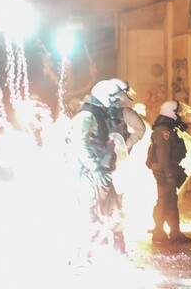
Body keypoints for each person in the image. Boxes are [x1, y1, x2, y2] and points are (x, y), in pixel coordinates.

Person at [68, 80, 125, 257]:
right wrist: (95, 167)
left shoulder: (101, 114)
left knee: (114, 211)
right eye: (115, 100)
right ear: (105, 98)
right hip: (88, 173)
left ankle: (116, 250)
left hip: (101, 171)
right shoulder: (87, 116)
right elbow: (80, 143)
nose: (117, 104)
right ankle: (84, 255)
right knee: (89, 213)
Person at [146, 100, 191, 244]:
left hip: (167, 169)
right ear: (171, 113)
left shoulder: (167, 128)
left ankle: (175, 232)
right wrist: (169, 175)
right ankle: (158, 233)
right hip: (164, 170)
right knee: (164, 201)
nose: (180, 116)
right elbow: (163, 155)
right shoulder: (164, 131)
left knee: (171, 201)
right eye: (178, 113)